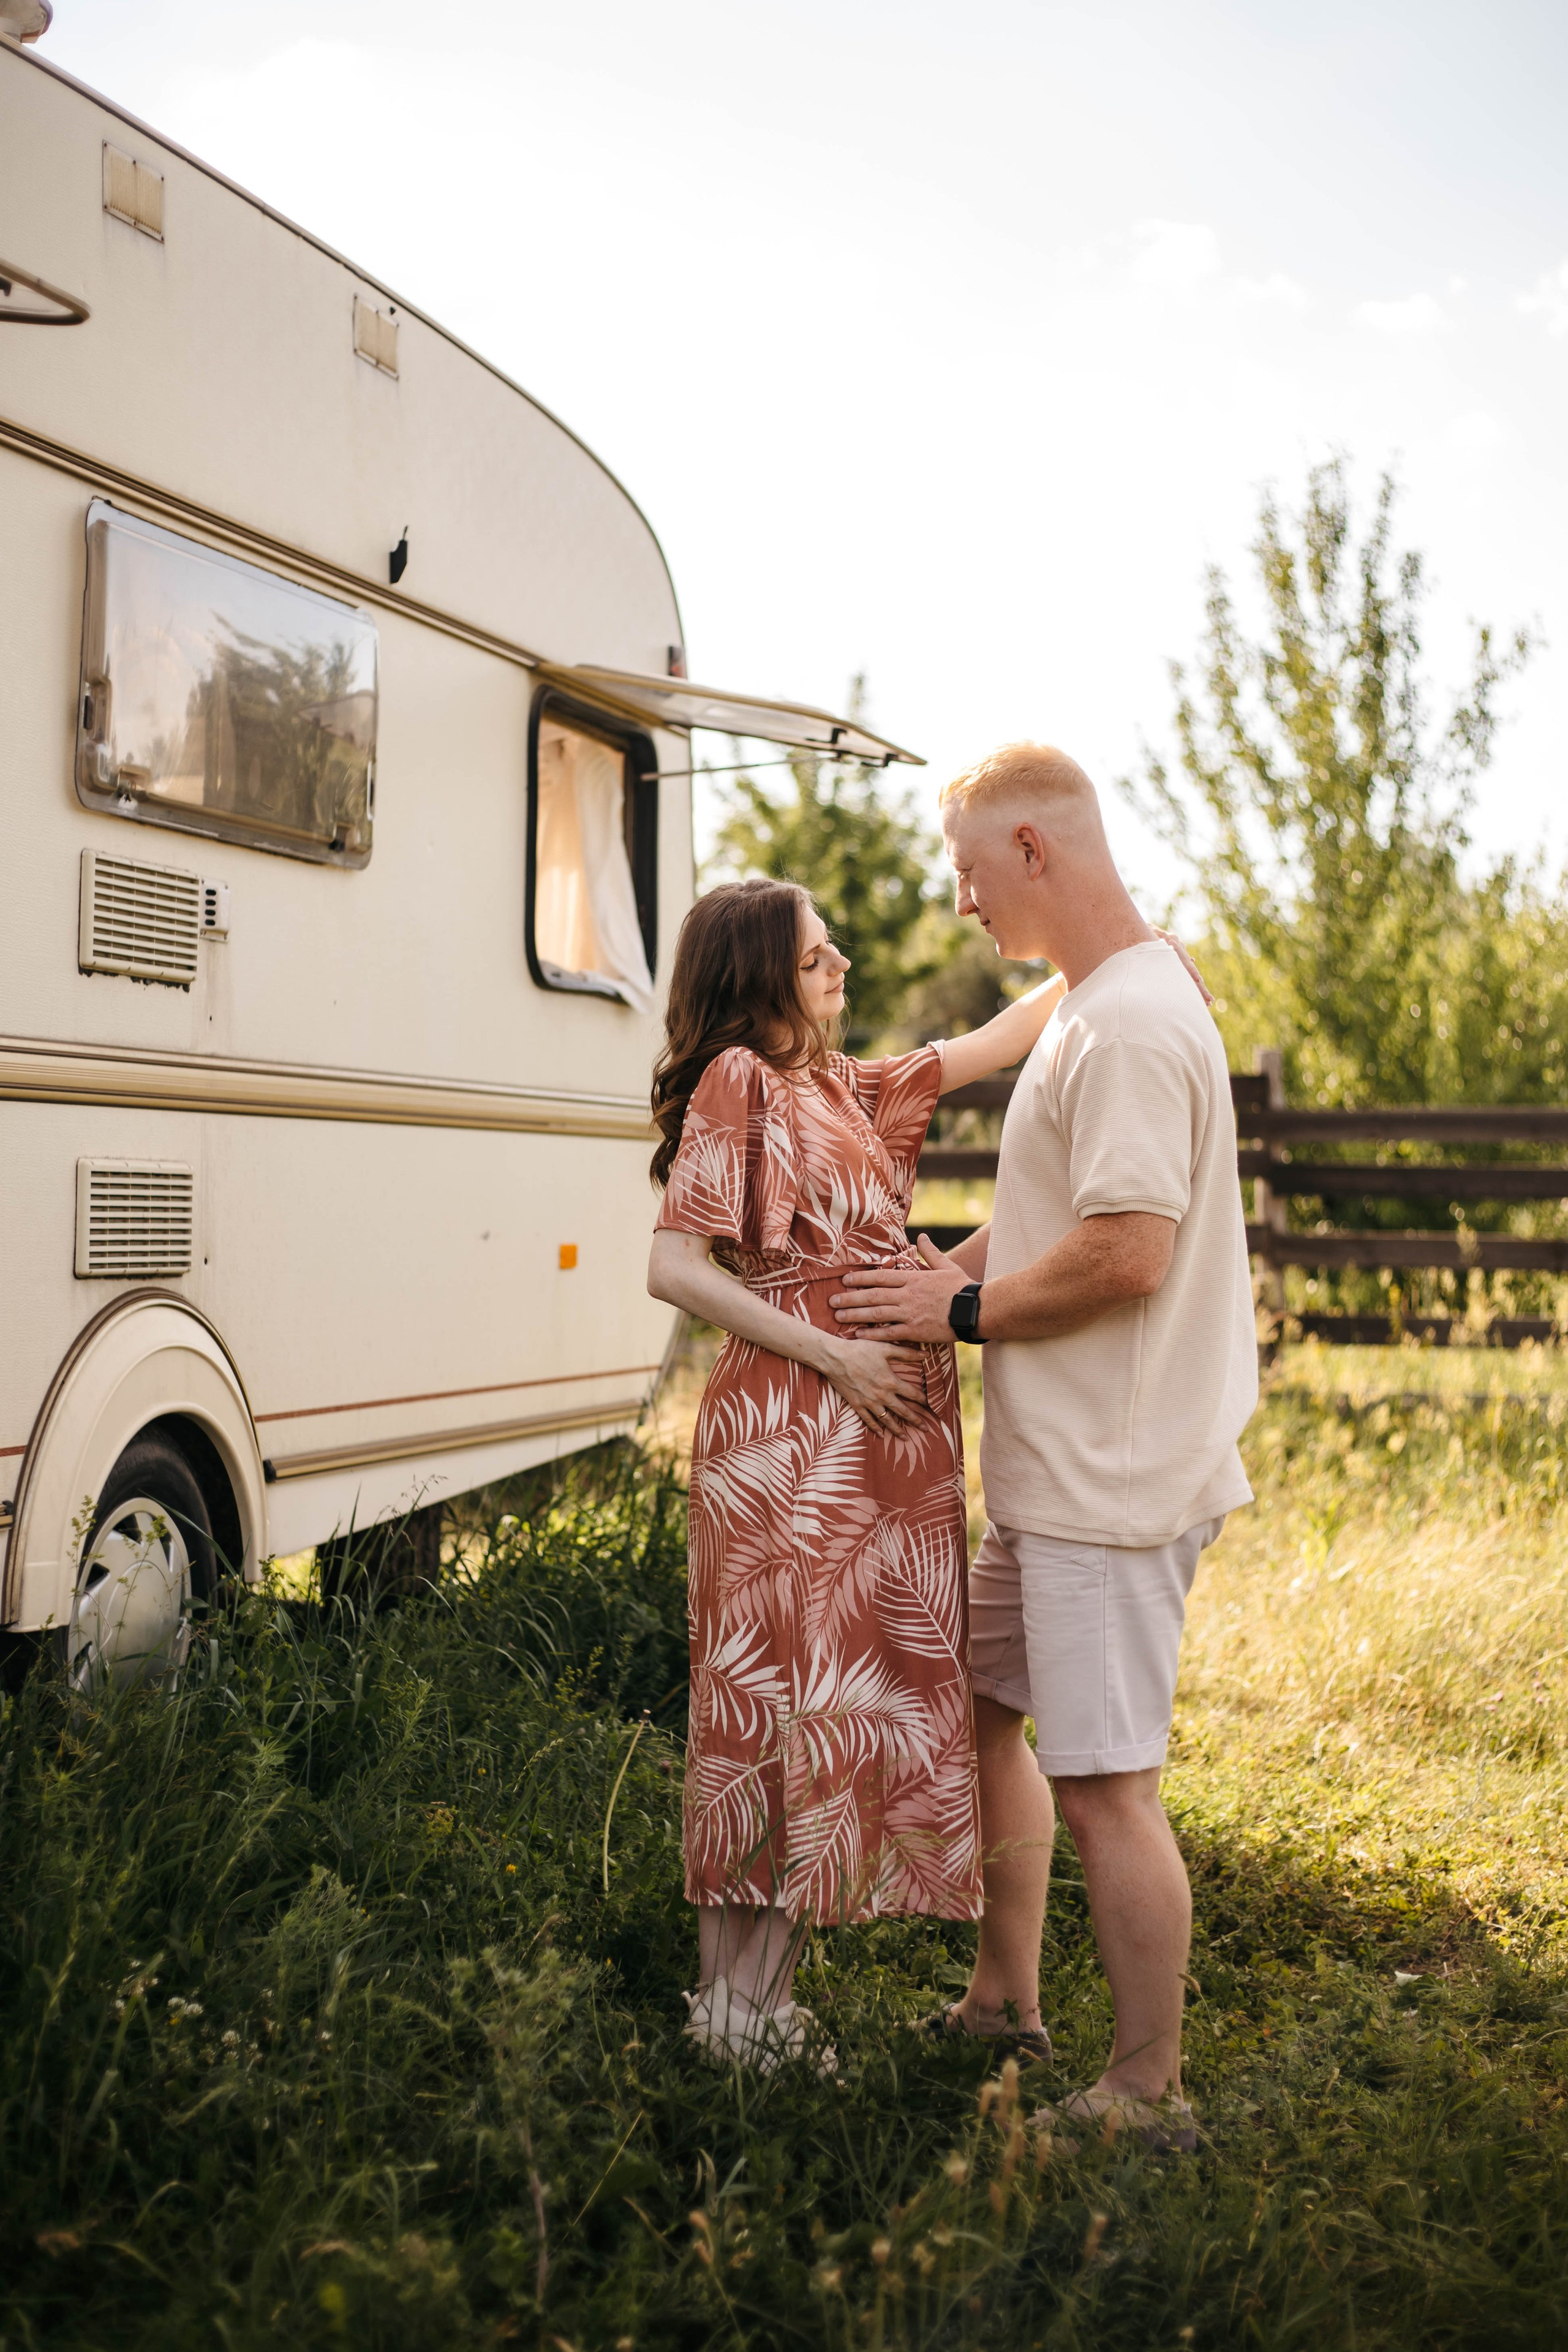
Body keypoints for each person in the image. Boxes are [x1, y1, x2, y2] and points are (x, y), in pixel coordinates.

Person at [832, 743, 1257, 2147]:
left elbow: (1126, 1255)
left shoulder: (1131, 1026)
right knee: (976, 1709)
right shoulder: (1099, 998)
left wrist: (952, 1309)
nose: (957, 900)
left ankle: (1147, 2089)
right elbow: (1049, 1222)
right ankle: (1004, 1999)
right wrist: (928, 1285)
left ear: (1031, 851)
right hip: (1057, 1474)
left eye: (966, 870)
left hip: (1109, 1486)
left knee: (1108, 1792)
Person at [646, 875, 1072, 2071]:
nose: (839, 968)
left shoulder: (848, 1087)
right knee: (775, 1708)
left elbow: (999, 1036)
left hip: (856, 1452)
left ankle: (738, 2012)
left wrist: (1118, 955)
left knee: (796, 1706)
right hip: (787, 1440)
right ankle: (747, 2013)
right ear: (758, 974)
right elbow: (675, 1268)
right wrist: (832, 1349)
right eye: (817, 954)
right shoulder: (742, 1080)